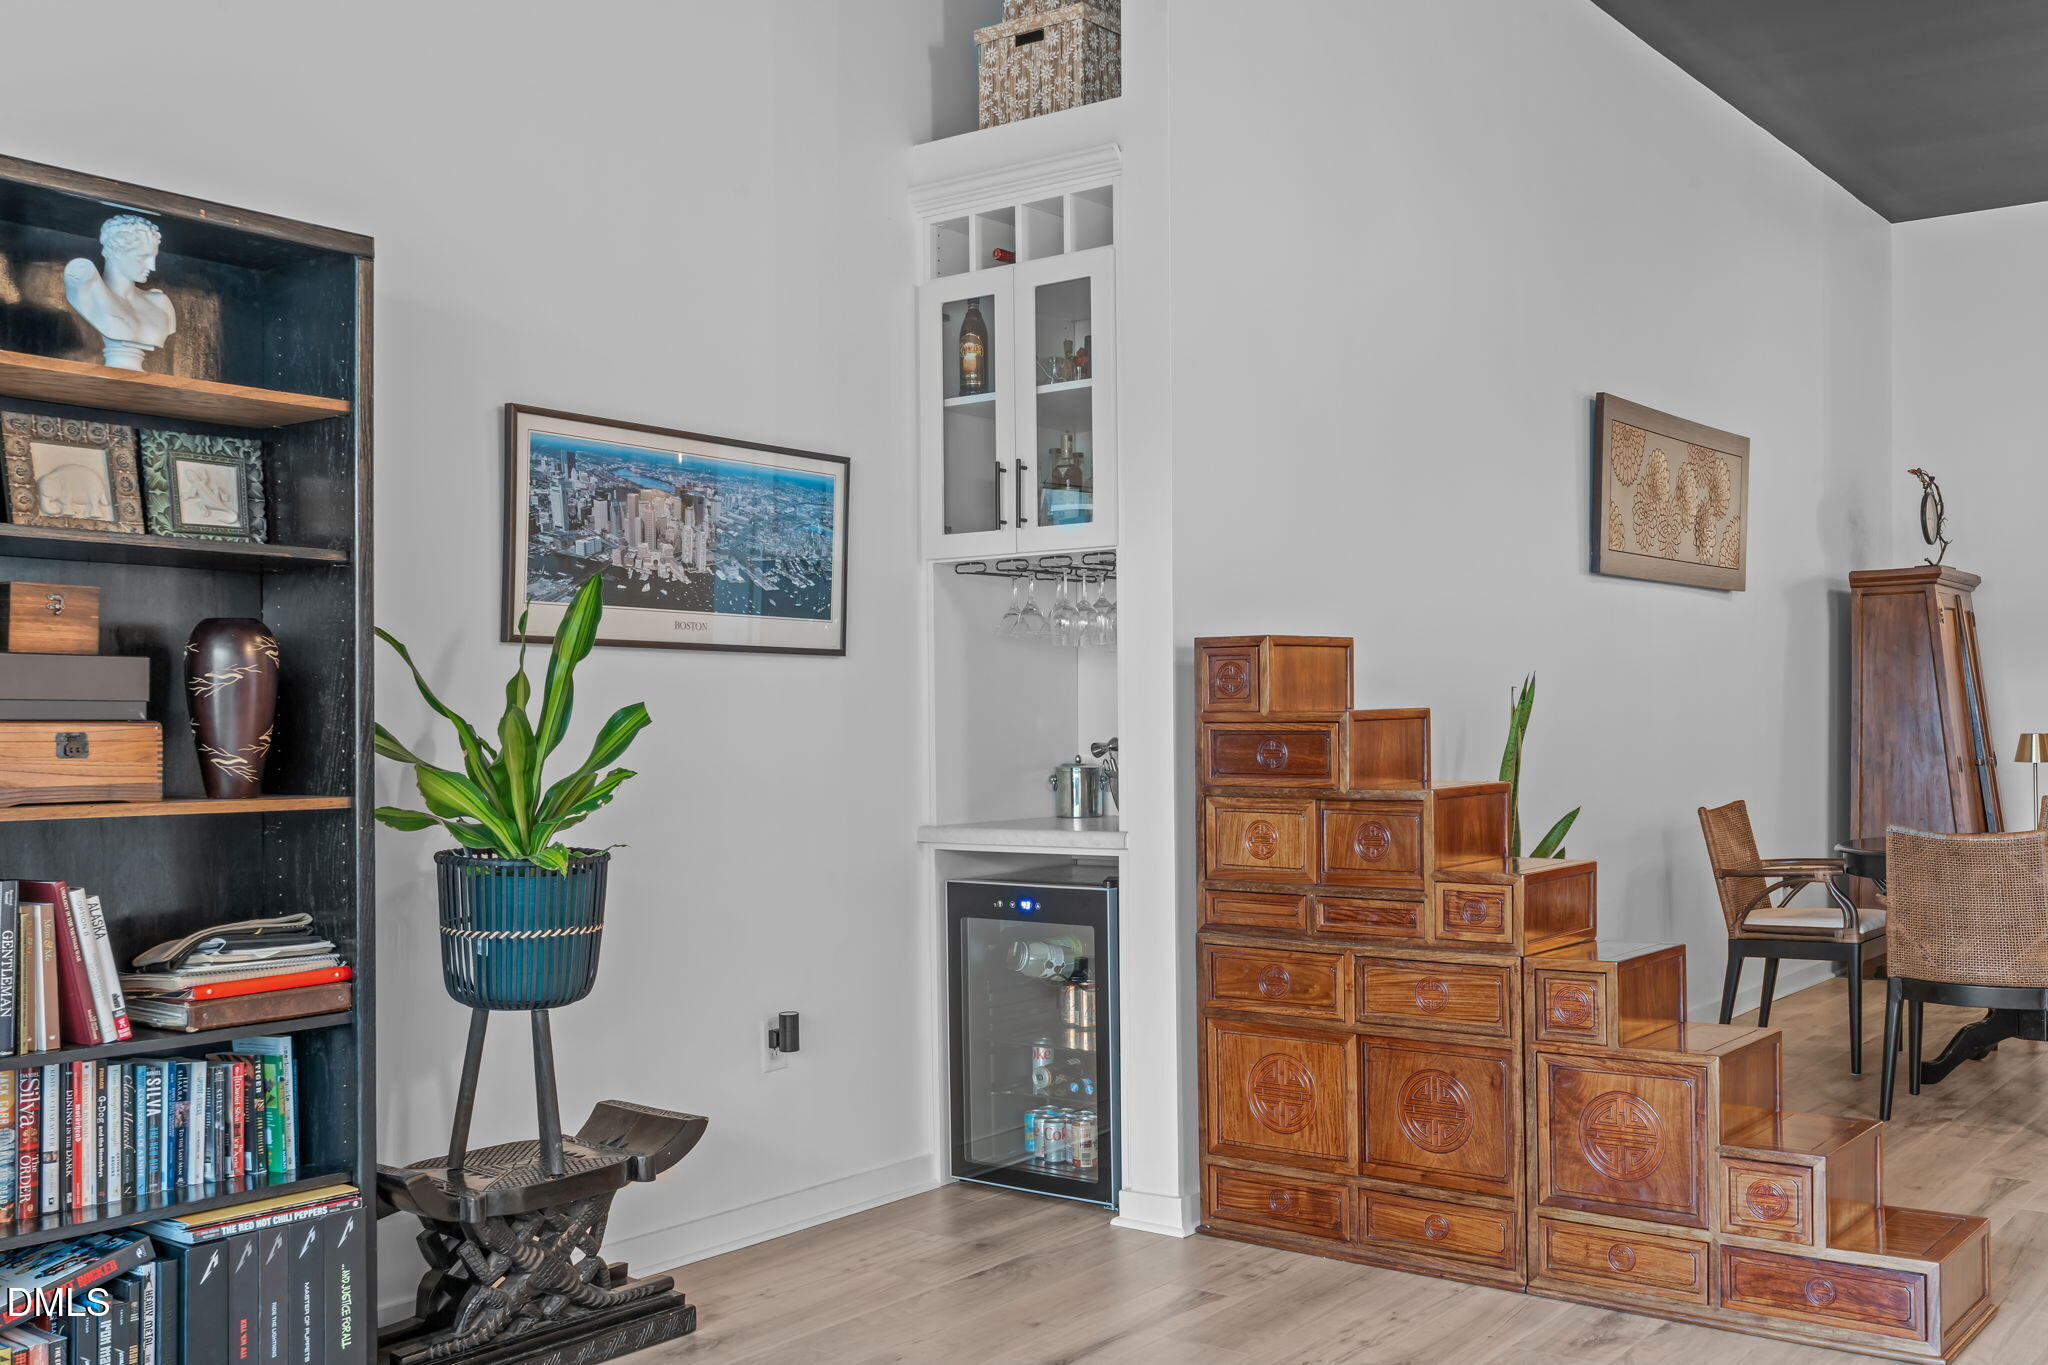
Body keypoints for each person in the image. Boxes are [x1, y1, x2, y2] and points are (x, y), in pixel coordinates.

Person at [64, 214, 176, 369]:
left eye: (153, 257)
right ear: (116, 251)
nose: (152, 267)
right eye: (142, 257)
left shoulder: (159, 302)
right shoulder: (86, 286)